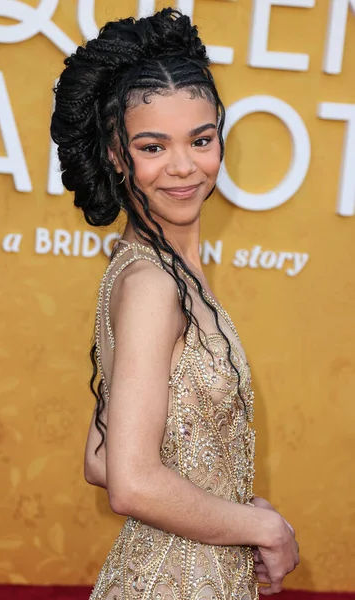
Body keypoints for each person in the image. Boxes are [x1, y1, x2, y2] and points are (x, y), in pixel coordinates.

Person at [50, 8, 299, 600]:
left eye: (201, 140)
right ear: (116, 153)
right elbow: (130, 485)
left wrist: (228, 507)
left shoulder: (153, 268)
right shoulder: (152, 285)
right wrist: (264, 525)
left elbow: (100, 458)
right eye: (153, 146)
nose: (185, 166)